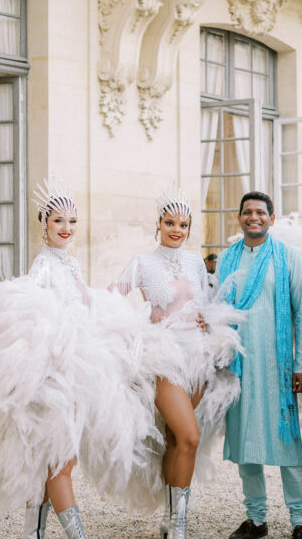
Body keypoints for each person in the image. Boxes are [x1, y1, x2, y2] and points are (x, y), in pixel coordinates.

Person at [0, 179, 162, 539]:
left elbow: (88, 306)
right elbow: (29, 315)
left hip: (76, 374)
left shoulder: (71, 264)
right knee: (59, 458)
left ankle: (32, 532)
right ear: (44, 224)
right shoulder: (43, 266)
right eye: (58, 221)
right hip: (52, 375)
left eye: (72, 221)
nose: (66, 228)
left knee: (53, 457)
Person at [113, 188, 241, 539]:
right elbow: (111, 298)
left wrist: (206, 319)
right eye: (170, 223)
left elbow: (206, 301)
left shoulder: (196, 262)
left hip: (197, 357)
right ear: (158, 224)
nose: (176, 230)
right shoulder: (141, 263)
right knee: (189, 436)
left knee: (174, 438)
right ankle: (180, 528)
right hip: (164, 359)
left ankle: (171, 521)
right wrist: (139, 325)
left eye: (183, 225)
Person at [217, 191, 302, 539]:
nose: (253, 217)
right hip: (239, 366)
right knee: (246, 441)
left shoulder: (288, 257)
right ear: (239, 217)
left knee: (287, 442)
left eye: (260, 212)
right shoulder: (227, 258)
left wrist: (301, 365)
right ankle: (256, 518)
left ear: (272, 218)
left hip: (277, 366)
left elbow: (301, 313)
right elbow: (218, 310)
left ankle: (301, 519)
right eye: (247, 212)